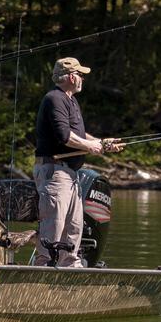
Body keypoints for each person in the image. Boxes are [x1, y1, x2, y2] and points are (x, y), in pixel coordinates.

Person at [32, 57, 122, 267]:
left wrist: (100, 142)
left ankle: (70, 265)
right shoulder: (54, 98)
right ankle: (44, 265)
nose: (82, 79)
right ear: (72, 77)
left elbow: (78, 133)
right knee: (54, 223)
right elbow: (65, 136)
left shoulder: (70, 100)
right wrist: (90, 147)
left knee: (74, 224)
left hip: (70, 174)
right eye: (81, 75)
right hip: (54, 172)